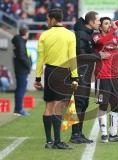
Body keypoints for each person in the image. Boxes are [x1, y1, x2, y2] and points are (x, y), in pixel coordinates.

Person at [34, 8, 78, 149]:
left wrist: (37, 78)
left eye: (48, 19)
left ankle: (48, 141)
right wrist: (75, 77)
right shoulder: (70, 35)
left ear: (53, 19)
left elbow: (40, 59)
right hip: (62, 72)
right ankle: (57, 142)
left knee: (49, 106)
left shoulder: (44, 35)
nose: (47, 21)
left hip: (49, 71)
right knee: (58, 106)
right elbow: (72, 58)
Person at [70, 11, 110, 144]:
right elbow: (80, 56)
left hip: (85, 73)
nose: (99, 23)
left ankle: (79, 134)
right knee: (79, 103)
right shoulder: (82, 35)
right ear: (91, 22)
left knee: (83, 103)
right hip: (80, 73)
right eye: (98, 20)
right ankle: (75, 135)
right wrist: (99, 56)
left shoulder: (86, 34)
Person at [93, 17, 118, 143]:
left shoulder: (115, 37)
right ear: (100, 26)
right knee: (103, 104)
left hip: (114, 76)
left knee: (116, 104)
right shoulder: (96, 37)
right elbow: (102, 42)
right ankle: (104, 134)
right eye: (106, 23)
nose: (109, 25)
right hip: (102, 76)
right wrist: (113, 31)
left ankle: (113, 134)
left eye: (110, 23)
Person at [12, 26, 31, 116]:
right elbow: (22, 56)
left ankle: (18, 108)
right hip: (22, 69)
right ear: (26, 33)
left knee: (20, 89)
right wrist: (28, 66)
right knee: (21, 89)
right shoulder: (20, 43)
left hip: (19, 68)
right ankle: (19, 109)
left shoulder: (19, 41)